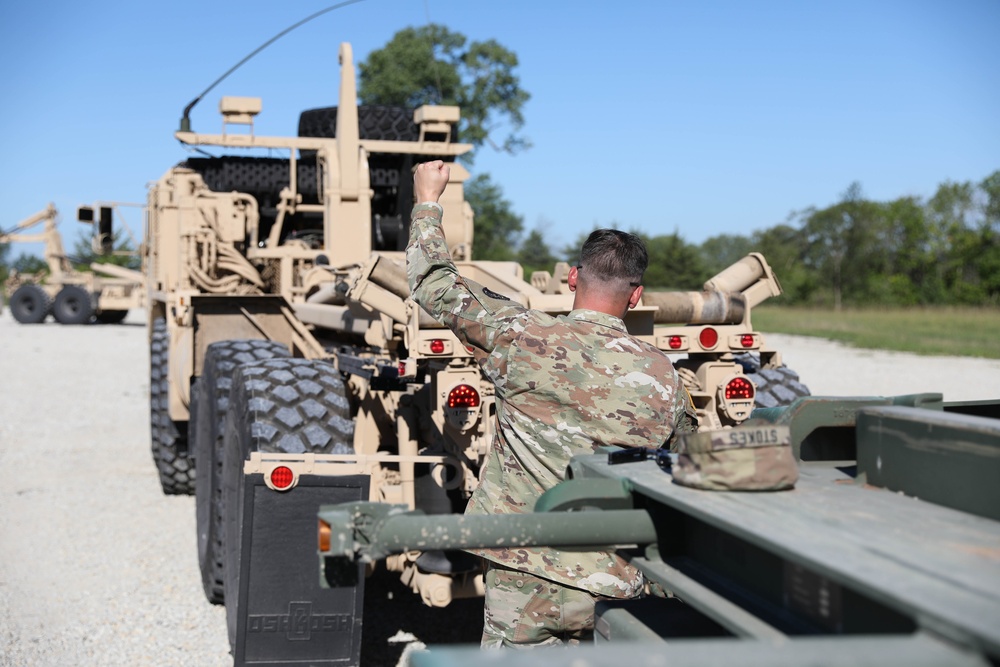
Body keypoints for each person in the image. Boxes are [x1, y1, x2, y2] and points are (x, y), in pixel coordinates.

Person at [406, 160, 696, 648]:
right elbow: (682, 473)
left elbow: (434, 283)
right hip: (612, 583)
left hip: (522, 571)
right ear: (638, 295)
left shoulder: (521, 338)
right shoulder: (664, 376)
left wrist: (428, 200)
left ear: (571, 277)